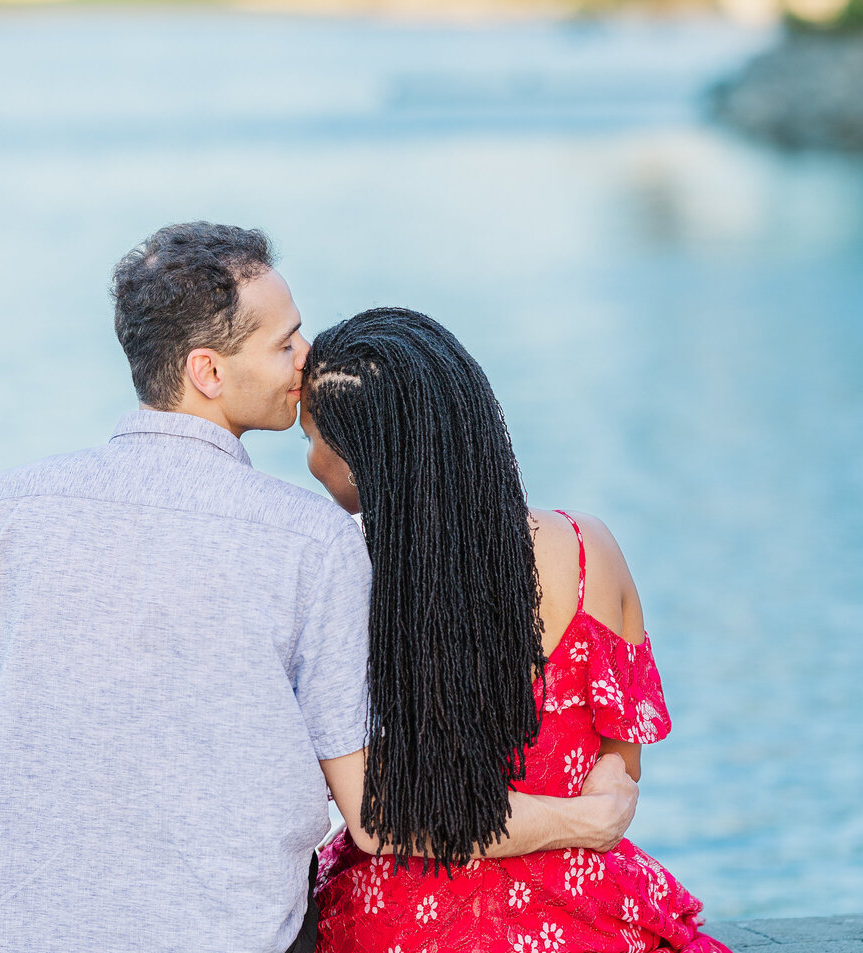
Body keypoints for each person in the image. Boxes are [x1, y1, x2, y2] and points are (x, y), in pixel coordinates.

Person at [0, 224, 641, 953]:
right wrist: (586, 818)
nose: (305, 361)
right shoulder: (312, 540)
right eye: (285, 342)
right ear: (208, 371)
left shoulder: (2, 507)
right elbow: (377, 815)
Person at [301, 307, 732, 953]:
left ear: (365, 456)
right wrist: (594, 812)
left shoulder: (341, 572)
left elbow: (378, 814)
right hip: (581, 901)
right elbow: (623, 753)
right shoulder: (590, 548)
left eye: (311, 440)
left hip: (402, 920)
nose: (309, 461)